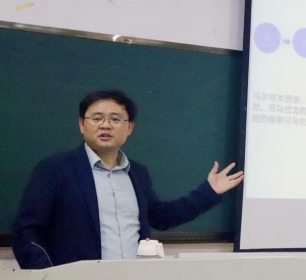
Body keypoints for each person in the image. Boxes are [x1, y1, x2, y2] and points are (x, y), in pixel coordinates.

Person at [12, 90, 244, 269]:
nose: (105, 125)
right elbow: (26, 231)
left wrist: (209, 192)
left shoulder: (137, 173)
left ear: (130, 127)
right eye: (96, 118)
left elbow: (161, 217)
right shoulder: (56, 169)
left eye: (115, 119)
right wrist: (48, 277)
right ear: (82, 124)